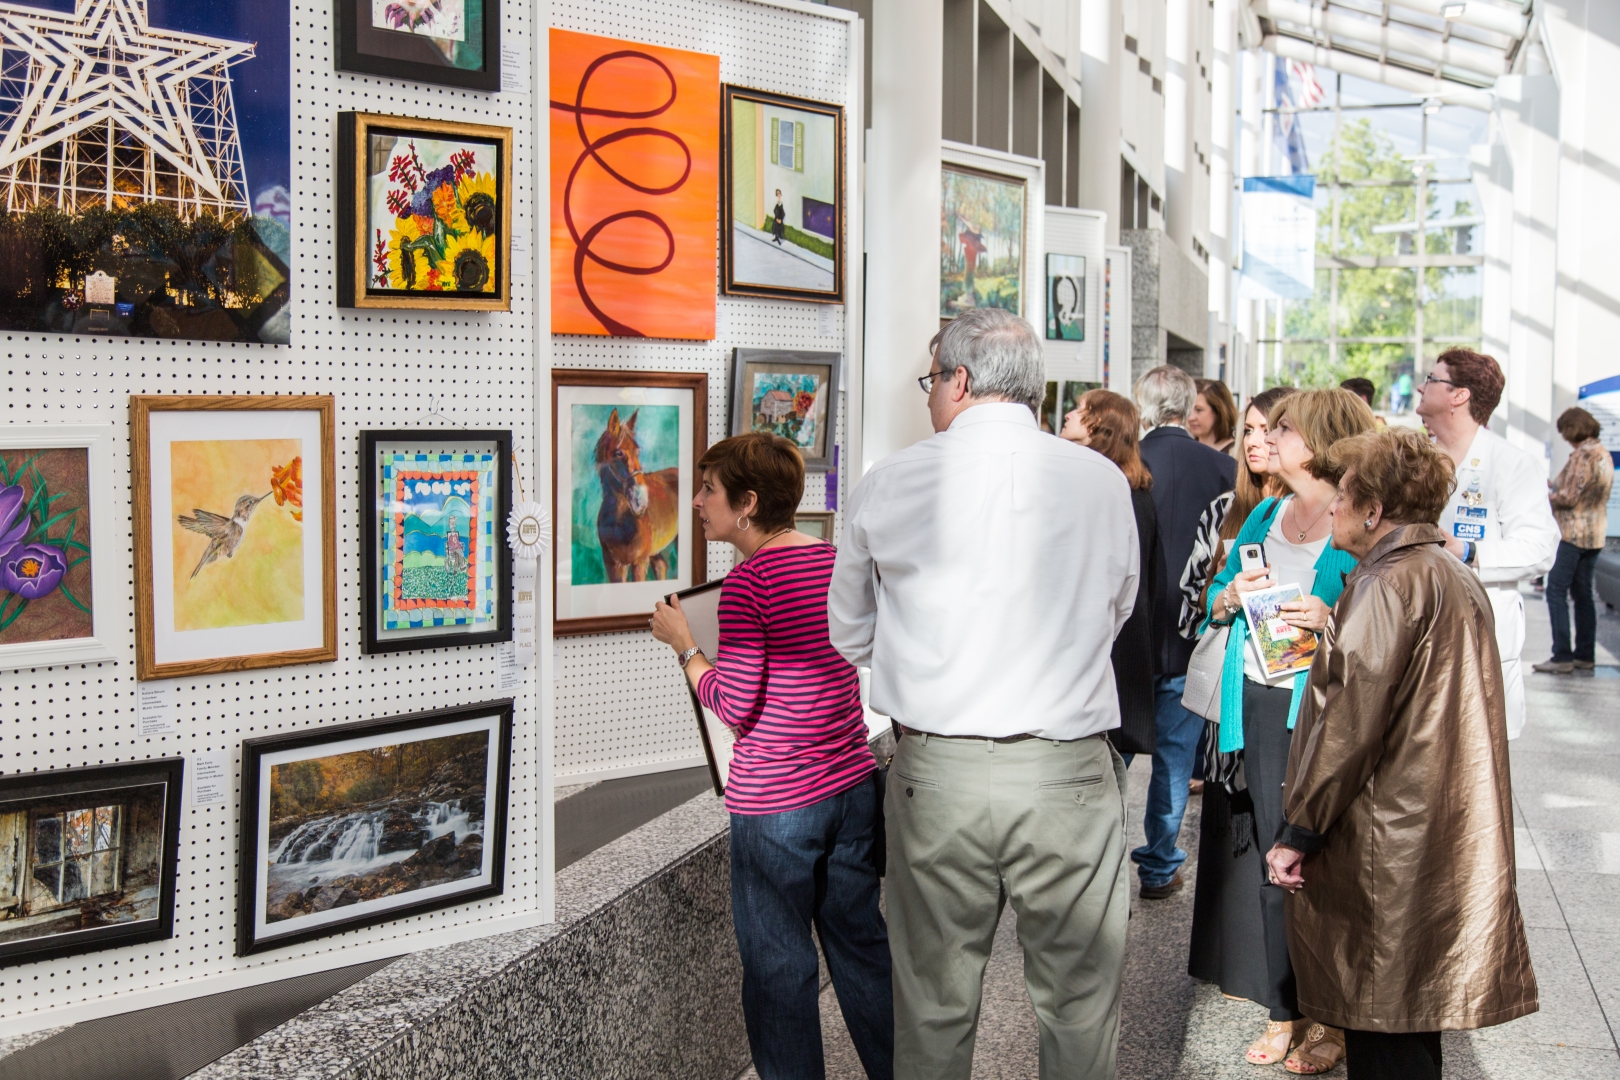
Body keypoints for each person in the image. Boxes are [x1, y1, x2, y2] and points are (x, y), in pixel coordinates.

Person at [829, 307, 1137, 1080]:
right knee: (1078, 1003)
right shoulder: (1101, 481)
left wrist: (924, 657)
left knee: (932, 1004)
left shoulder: (890, 482)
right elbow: (1117, 609)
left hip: (937, 771)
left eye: (932, 381)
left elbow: (851, 632)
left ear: (960, 382)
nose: (929, 396)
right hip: (1067, 771)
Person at [1267, 428, 1539, 1080]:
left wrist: (1298, 828)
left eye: (1345, 496)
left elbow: (1348, 724)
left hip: (1385, 836)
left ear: (1374, 510)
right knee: (1410, 1022)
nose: (1332, 508)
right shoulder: (1450, 573)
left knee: (1381, 1021)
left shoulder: (1384, 584)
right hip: (1435, 826)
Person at [649, 432, 892, 1080]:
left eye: (709, 490)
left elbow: (735, 707)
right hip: (853, 786)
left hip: (779, 805)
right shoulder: (836, 559)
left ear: (748, 503)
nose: (697, 501)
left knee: (780, 967)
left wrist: (684, 646)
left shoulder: (750, 584)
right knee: (862, 948)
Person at [1199, 388, 1377, 1072]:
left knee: (1326, 867)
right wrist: (1231, 599)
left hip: (1324, 710)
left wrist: (1327, 622)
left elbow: (1380, 614)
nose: (1267, 437)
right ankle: (1284, 1010)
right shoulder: (1268, 511)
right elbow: (1217, 600)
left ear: (1323, 438)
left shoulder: (1356, 517)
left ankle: (1333, 1018)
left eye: (1285, 428)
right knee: (1278, 863)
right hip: (1260, 703)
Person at [1183, 385, 1296, 1007]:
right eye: (1250, 430)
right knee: (1236, 823)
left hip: (1286, 693)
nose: (1258, 441)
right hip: (1231, 686)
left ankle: (1283, 987)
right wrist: (1225, 599)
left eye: (1270, 429)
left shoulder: (1317, 514)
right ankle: (1242, 967)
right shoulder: (1232, 510)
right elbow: (1196, 597)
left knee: (1277, 829)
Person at [1417, 348, 1559, 738]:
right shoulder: (1416, 460)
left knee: (1477, 767)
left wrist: (1467, 551)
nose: (1420, 386)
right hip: (1418, 629)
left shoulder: (1512, 463)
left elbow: (1540, 547)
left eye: (1432, 379)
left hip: (1481, 633)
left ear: (1458, 395)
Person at [1133, 366, 1237, 900]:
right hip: (1191, 631)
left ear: (1143, 404)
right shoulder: (1223, 467)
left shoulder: (1126, 461)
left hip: (1128, 638)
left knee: (1110, 756)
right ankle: (1157, 866)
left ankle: (1095, 863)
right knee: (1176, 760)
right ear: (1188, 404)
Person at [1062, 389, 1158, 756]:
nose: (1069, 415)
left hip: (1109, 656)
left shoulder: (1115, 492)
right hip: (1117, 657)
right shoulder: (1134, 489)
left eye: (1081, 410)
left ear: (1101, 425)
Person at [1534, 407, 1615, 674]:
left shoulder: (1583, 455)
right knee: (1583, 595)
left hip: (1572, 534)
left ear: (1572, 429)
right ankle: (1584, 655)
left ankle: (1562, 656)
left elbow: (1568, 497)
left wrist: (1543, 497)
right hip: (1595, 534)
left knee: (1555, 591)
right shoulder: (1603, 453)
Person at [1189, 379, 1239, 452]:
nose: (1191, 418)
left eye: (1198, 410)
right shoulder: (1187, 449)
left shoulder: (1235, 453)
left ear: (1219, 411)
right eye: (1188, 410)